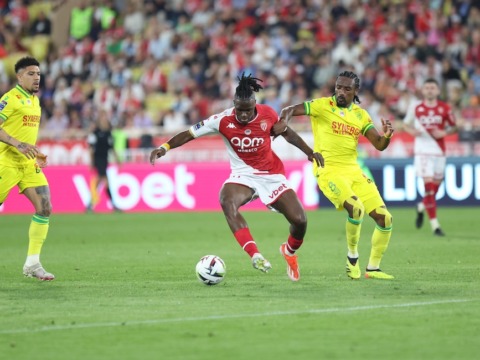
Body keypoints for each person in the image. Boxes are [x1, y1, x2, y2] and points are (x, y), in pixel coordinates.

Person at [150, 73, 324, 281]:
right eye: (239, 110)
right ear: (234, 105)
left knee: (300, 221)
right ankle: (255, 255)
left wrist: (309, 152)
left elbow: (287, 133)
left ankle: (288, 251)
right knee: (226, 199)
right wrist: (165, 147)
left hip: (272, 175)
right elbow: (189, 133)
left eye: (248, 111)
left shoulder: (267, 114)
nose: (243, 115)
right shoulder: (222, 120)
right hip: (243, 175)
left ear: (255, 105)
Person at [277, 70, 395, 280]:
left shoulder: (360, 115)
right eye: (338, 87)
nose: (340, 92)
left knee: (385, 218)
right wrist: (283, 121)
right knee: (356, 208)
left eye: (346, 89)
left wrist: (386, 136)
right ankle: (352, 259)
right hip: (328, 169)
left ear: (355, 91)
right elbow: (289, 109)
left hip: (354, 170)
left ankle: (373, 269)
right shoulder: (322, 105)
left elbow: (379, 144)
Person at [0, 56, 54, 281]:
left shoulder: (35, 101)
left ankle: (32, 263)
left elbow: (27, 133)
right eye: (31, 74)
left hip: (28, 164)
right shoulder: (9, 99)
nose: (36, 78)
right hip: (6, 162)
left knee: (45, 207)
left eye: (39, 74)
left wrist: (35, 152)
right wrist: (17, 144)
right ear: (19, 76)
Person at [403, 78, 457, 236]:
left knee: (435, 188)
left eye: (433, 88)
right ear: (423, 90)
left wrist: (445, 132)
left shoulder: (445, 108)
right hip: (422, 151)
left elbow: (454, 126)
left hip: (439, 151)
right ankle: (435, 226)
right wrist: (411, 131)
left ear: (438, 91)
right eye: (427, 87)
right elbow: (405, 124)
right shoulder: (416, 107)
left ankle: (421, 206)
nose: (430, 90)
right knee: (429, 188)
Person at [86, 109, 121, 212]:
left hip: (105, 159)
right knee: (105, 181)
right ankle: (113, 204)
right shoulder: (95, 133)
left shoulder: (109, 133)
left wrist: (117, 159)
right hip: (98, 159)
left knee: (99, 182)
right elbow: (91, 149)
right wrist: (92, 162)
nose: (104, 120)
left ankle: (90, 204)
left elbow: (112, 147)